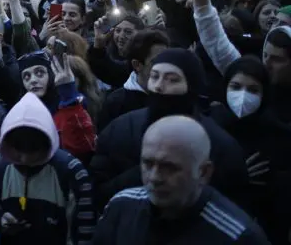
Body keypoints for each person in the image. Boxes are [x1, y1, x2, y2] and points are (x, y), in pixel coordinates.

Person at [91, 48, 249, 209]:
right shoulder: (121, 128)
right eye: (154, 77)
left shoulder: (217, 143)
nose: (159, 86)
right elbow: (98, 190)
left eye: (172, 80)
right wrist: (138, 175)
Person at [92, 116, 270, 244]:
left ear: (204, 172)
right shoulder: (121, 208)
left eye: (169, 167)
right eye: (147, 163)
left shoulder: (239, 236)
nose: (154, 177)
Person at [0, 92, 96, 245]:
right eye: (18, 149)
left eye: (32, 150)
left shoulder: (71, 172)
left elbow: (83, 231)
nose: (24, 158)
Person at [208, 57, 291, 244]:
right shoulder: (209, 128)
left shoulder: (280, 135)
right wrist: (233, 175)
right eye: (236, 87)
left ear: (265, 94)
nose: (243, 96)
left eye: (253, 90)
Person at [97, 29, 170, 131]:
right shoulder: (116, 103)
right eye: (157, 61)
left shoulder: (174, 96)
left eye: (168, 60)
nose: (165, 67)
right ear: (137, 65)